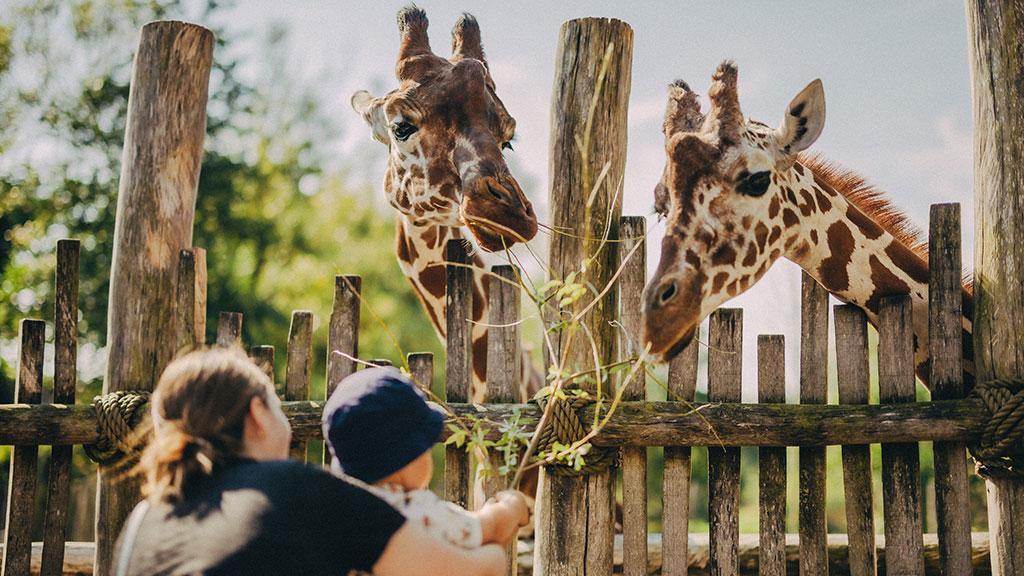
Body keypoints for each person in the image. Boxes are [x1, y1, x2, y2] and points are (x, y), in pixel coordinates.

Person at [115, 347, 508, 576]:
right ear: (257, 414)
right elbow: (470, 571)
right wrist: (499, 546)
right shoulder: (293, 488)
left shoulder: (143, 521)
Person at [322, 367, 530, 554]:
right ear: (407, 457)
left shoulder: (330, 510)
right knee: (491, 557)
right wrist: (512, 506)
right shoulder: (417, 513)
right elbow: (490, 527)